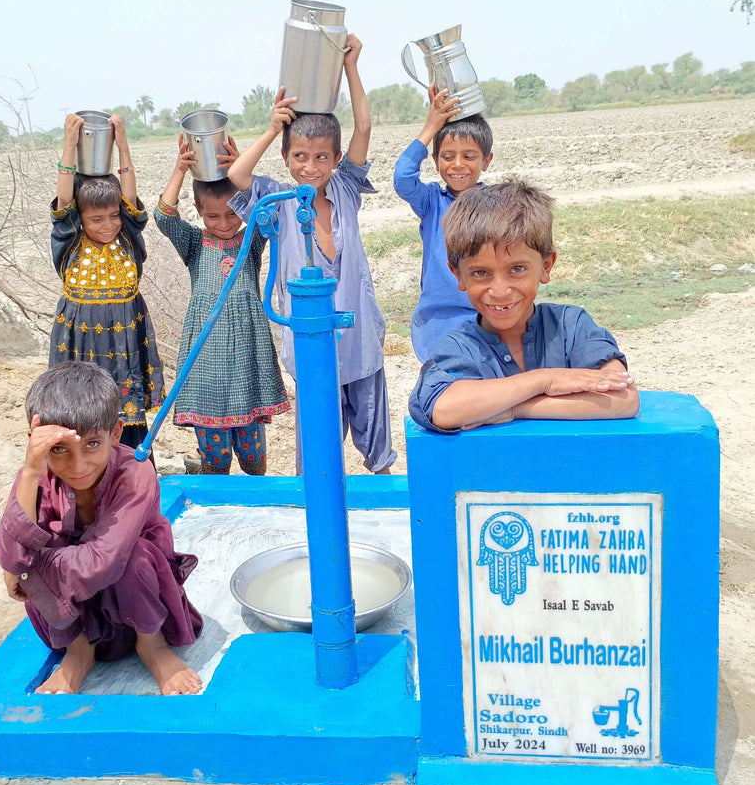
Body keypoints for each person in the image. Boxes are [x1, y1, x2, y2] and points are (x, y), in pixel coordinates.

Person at [228, 34, 396, 474]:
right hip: (311, 344)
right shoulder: (278, 200)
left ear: (336, 159)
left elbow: (363, 128)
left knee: (377, 447)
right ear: (286, 158)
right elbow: (236, 174)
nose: (310, 166)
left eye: (322, 157)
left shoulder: (345, 189)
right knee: (318, 453)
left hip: (359, 338)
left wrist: (351, 67)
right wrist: (271, 128)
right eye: (300, 155)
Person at [0, 362, 203, 695]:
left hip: (137, 601)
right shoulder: (36, 477)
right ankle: (78, 652)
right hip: (71, 616)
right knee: (26, 557)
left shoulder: (135, 474)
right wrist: (32, 471)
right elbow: (10, 555)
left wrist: (30, 569)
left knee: (133, 556)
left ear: (116, 433)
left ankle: (153, 647)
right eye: (58, 449)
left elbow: (102, 561)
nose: (77, 466)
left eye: (92, 444)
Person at [409, 180, 639, 431]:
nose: (500, 291)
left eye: (517, 269)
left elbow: (623, 399)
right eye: (480, 273)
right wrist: (545, 380)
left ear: (546, 266)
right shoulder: (458, 346)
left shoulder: (570, 327)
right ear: (458, 276)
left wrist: (513, 408)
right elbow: (443, 409)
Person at [154, 137, 289, 474]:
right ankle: (212, 487)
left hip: (247, 354)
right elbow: (164, 217)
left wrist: (241, 166)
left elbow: (269, 207)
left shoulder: (251, 237)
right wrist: (180, 170)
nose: (226, 223)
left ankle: (255, 499)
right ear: (199, 213)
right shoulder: (195, 243)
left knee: (253, 452)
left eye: (233, 213)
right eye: (214, 216)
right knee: (215, 455)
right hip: (206, 358)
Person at [49, 113, 165, 452]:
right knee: (80, 420)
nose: (108, 225)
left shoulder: (127, 238)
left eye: (113, 215)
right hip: (81, 341)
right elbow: (64, 202)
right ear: (79, 220)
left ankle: (130, 483)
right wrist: (70, 146)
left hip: (125, 342)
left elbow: (129, 198)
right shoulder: (69, 242)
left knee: (127, 427)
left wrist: (122, 143)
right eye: (96, 219)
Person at [393, 86, 494, 361]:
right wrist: (431, 126)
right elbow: (402, 178)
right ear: (436, 160)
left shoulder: (498, 206)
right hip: (438, 323)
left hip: (488, 317)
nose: (458, 164)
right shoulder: (431, 203)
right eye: (448, 157)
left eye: (469, 156)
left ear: (486, 161)